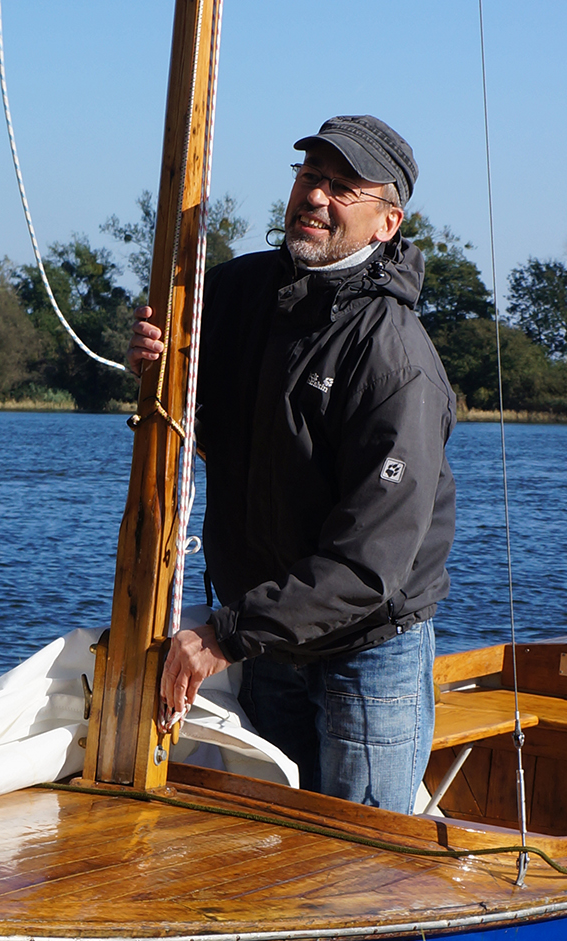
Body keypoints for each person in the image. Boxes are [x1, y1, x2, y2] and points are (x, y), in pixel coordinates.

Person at [128, 114, 456, 811]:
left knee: (358, 853)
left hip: (367, 651)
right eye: (310, 175)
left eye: (342, 187)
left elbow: (369, 566)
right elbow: (196, 421)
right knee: (274, 837)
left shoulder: (396, 360)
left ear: (387, 223)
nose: (315, 196)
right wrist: (156, 368)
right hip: (267, 639)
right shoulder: (233, 293)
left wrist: (224, 636)